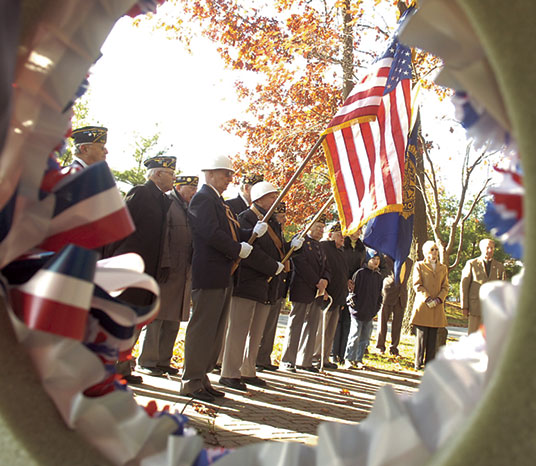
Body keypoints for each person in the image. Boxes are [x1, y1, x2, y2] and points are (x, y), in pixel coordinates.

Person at [179, 155, 268, 403]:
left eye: (230, 174)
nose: (230, 178)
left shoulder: (217, 201)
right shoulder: (203, 199)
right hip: (209, 273)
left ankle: (202, 378)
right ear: (210, 173)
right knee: (202, 329)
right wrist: (235, 249)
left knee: (215, 331)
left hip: (221, 274)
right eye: (225, 174)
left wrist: (251, 233)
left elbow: (232, 230)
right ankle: (191, 381)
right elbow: (210, 233)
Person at [219, 182, 301, 390]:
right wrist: (271, 265)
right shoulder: (245, 218)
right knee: (238, 329)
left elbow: (278, 249)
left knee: (256, 331)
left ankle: (248, 369)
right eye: (272, 197)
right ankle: (229, 372)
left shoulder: (272, 221)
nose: (275, 200)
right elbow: (248, 251)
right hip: (247, 280)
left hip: (266, 283)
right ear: (259, 198)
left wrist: (292, 247)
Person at [104, 155, 176, 384]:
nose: (174, 178)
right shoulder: (140, 193)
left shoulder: (163, 200)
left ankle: (122, 369)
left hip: (148, 271)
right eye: (170, 173)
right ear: (156, 174)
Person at [136, 175, 198, 376]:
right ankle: (147, 360)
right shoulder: (169, 204)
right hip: (168, 270)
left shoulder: (188, 209)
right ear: (179, 187)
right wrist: (164, 263)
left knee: (174, 318)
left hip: (183, 272)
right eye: (190, 188)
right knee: (157, 317)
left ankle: (163, 360)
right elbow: (163, 238)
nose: (194, 192)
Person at [280, 216, 330, 373]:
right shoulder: (300, 241)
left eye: (323, 227)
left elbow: (326, 267)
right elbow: (300, 263)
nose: (321, 230)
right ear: (309, 226)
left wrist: (325, 280)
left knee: (312, 325)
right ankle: (288, 360)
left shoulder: (320, 246)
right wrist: (317, 281)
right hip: (302, 287)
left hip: (318, 291)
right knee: (296, 325)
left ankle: (305, 360)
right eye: (318, 226)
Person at [256, 201, 291, 372]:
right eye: (281, 216)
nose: (284, 220)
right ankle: (258, 358)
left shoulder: (280, 233)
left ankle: (264, 357)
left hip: (278, 284)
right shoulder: (269, 231)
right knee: (262, 324)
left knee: (271, 325)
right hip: (267, 281)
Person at [313, 222, 348, 370]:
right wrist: (324, 290)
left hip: (338, 297)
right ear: (330, 234)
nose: (342, 238)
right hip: (326, 296)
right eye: (339, 234)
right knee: (321, 328)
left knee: (330, 331)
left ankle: (325, 357)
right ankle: (315, 357)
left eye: (343, 236)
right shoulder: (324, 247)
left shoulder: (341, 252)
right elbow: (322, 270)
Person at [411, 240, 449, 370]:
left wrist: (439, 299)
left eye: (436, 249)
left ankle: (429, 363)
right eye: (432, 249)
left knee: (433, 336)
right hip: (424, 305)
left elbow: (445, 286)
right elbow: (417, 284)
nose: (434, 252)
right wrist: (427, 299)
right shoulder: (419, 265)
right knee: (421, 336)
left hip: (437, 306)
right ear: (426, 251)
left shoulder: (442, 268)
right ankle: (418, 362)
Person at [344, 248, 383, 369]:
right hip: (357, 311)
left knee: (365, 337)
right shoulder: (360, 273)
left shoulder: (378, 277)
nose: (376, 262)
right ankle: (349, 358)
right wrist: (354, 306)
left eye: (378, 259)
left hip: (370, 312)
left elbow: (379, 295)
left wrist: (376, 308)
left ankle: (358, 359)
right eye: (373, 259)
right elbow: (352, 292)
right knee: (354, 335)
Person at [332, 228, 366, 364]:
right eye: (357, 229)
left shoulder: (361, 247)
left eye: (360, 230)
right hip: (340, 283)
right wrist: (346, 279)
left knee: (348, 320)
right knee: (337, 320)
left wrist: (354, 281)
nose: (359, 232)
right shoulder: (342, 244)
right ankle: (333, 352)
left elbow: (361, 266)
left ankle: (343, 353)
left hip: (353, 287)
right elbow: (339, 264)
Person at [460, 238, 506, 334]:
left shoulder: (499, 266)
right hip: (475, 307)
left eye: (492, 248)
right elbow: (464, 286)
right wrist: (464, 306)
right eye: (487, 248)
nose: (490, 250)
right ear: (481, 248)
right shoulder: (471, 264)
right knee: (473, 337)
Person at [375, 256, 414, 356]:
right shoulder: (387, 258)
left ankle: (394, 348)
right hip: (388, 293)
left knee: (398, 324)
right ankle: (380, 346)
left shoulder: (409, 262)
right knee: (383, 321)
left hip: (401, 295)